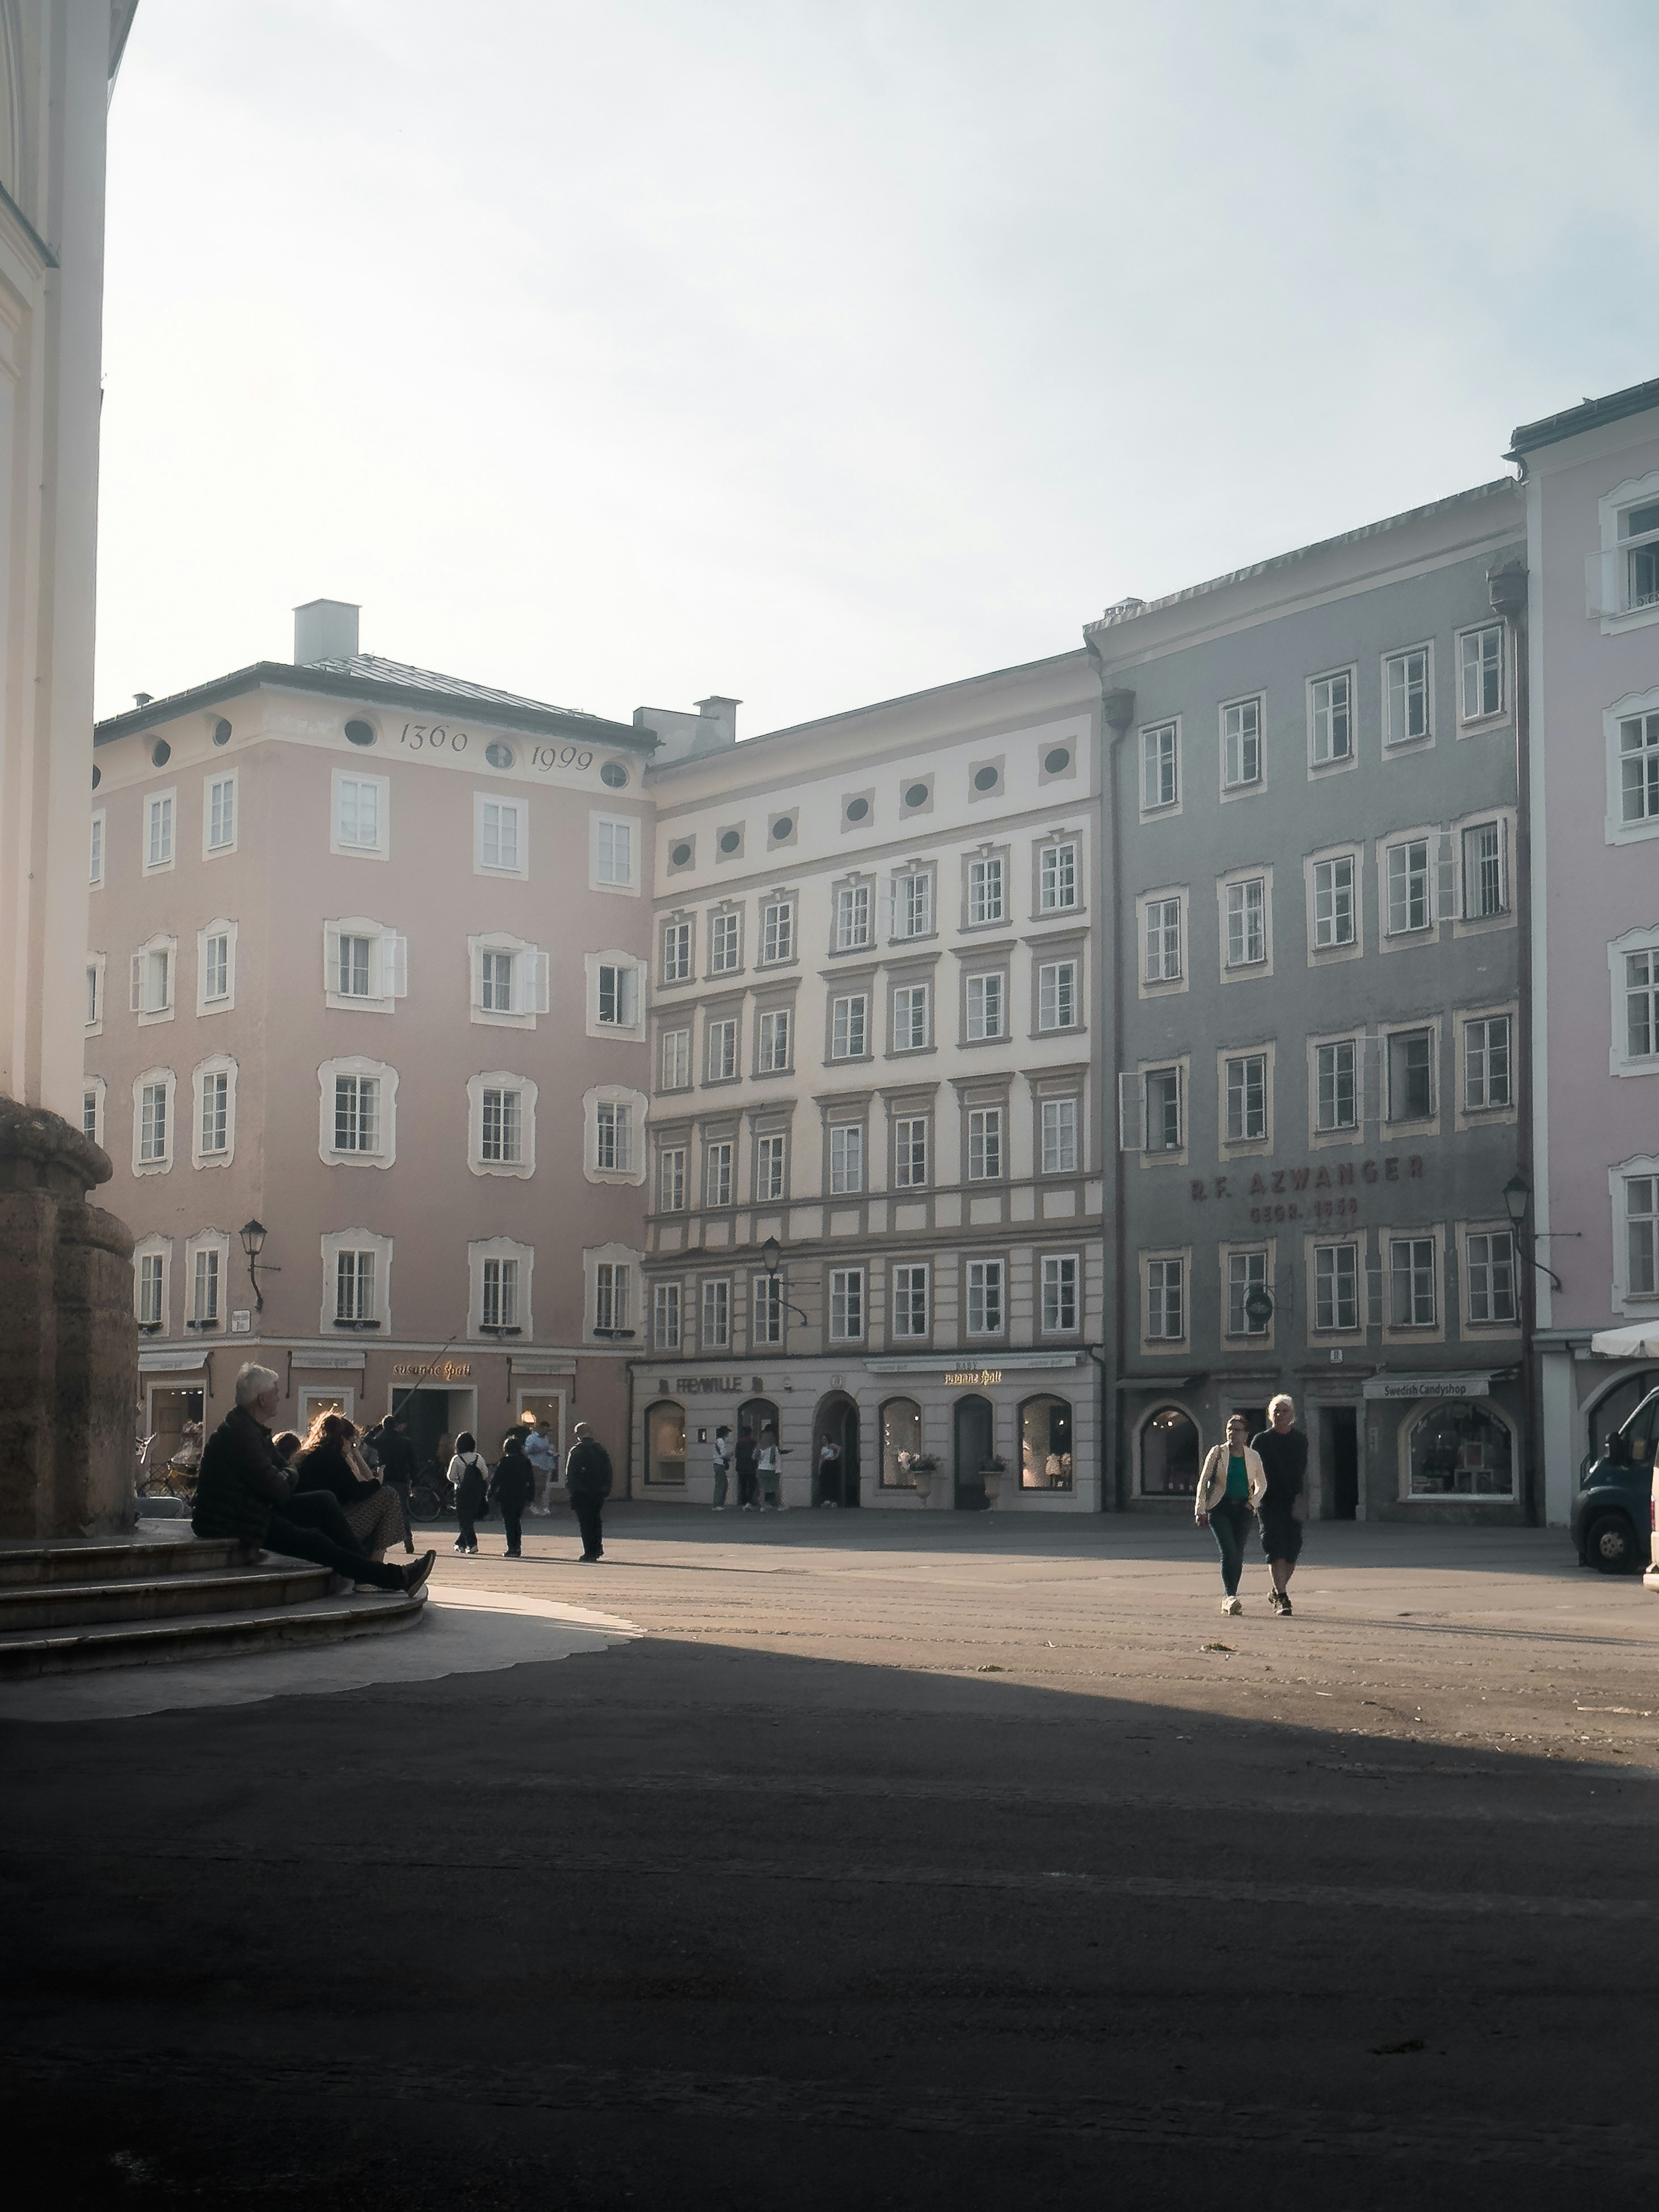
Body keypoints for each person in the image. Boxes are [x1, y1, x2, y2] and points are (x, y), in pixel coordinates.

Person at [192, 1364, 433, 1596]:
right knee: (316, 1542)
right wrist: (285, 1475)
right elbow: (279, 1489)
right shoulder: (242, 1435)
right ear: (262, 1399)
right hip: (232, 1518)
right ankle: (397, 1578)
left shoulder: (251, 1429)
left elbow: (285, 1469)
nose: (278, 1397)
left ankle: (373, 1574)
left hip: (252, 1507)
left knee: (324, 1501)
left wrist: (285, 1474)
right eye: (275, 1393)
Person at [293, 1411, 410, 1561]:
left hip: (310, 1525)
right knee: (389, 1496)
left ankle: (374, 1563)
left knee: (384, 1506)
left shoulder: (308, 1456)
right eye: (352, 1443)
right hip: (326, 1529)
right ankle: (375, 1566)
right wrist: (377, 1482)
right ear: (342, 1439)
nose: (351, 1448)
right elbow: (355, 1492)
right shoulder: (332, 1459)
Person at [1194, 1411, 1268, 1616]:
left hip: (1243, 1509)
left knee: (1238, 1553)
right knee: (1229, 1551)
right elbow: (1203, 1481)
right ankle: (1230, 1597)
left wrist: (1253, 1503)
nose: (1232, 1433)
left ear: (1246, 1434)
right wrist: (1200, 1509)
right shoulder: (1218, 1453)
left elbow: (1262, 1484)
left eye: (1237, 1430)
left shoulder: (1253, 1456)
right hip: (1220, 1508)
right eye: (1230, 1429)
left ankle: (1232, 1595)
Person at [1252, 1393, 1309, 1617]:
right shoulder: (1261, 1441)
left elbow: (1302, 1471)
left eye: (1284, 1410)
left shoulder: (1300, 1440)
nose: (1279, 1414)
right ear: (1270, 1414)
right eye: (1276, 1410)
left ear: (1292, 1415)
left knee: (1293, 1550)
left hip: (1292, 1500)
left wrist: (1302, 1499)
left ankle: (1276, 1591)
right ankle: (1283, 1598)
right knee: (1275, 1547)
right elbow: (1254, 1471)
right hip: (1268, 1501)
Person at [564, 1420, 613, 1562]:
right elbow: (608, 1471)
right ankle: (597, 1548)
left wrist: (573, 1490)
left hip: (582, 1492)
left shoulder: (576, 1451)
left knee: (585, 1523)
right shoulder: (600, 1450)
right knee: (596, 1520)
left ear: (578, 1435)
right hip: (598, 1491)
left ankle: (589, 1551)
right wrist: (606, 1488)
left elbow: (570, 1474)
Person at [489, 1429, 536, 1559]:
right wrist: (531, 1496)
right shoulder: (525, 1462)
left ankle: (512, 1548)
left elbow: (496, 1479)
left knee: (509, 1523)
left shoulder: (504, 1462)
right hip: (520, 1495)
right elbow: (531, 1481)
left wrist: (491, 1492)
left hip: (506, 1496)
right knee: (517, 1521)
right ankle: (518, 1547)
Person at [448, 1432, 489, 1555]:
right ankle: (461, 1543)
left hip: (461, 1492)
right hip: (476, 1492)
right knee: (469, 1518)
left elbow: (451, 1476)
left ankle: (472, 1544)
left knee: (464, 1519)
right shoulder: (478, 1458)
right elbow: (485, 1474)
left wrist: (459, 1483)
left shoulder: (457, 1459)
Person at [524, 1417, 557, 1516]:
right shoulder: (532, 1438)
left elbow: (546, 1451)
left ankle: (541, 1506)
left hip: (545, 1465)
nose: (547, 1432)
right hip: (536, 1465)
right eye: (546, 1430)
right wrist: (539, 1450)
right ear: (541, 1428)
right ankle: (533, 1505)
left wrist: (552, 1454)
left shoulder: (546, 1439)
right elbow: (527, 1451)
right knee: (537, 1487)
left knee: (543, 1487)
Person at [757, 1424, 785, 1511]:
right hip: (771, 1469)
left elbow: (755, 1457)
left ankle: (763, 1506)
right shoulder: (774, 1448)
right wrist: (779, 1470)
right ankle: (780, 1505)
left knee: (763, 1489)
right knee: (776, 1488)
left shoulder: (761, 1447)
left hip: (761, 1469)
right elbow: (776, 1460)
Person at [735, 1427, 759, 1512]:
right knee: (752, 1485)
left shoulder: (739, 1443)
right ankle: (750, 1501)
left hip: (741, 1467)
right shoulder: (753, 1442)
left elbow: (736, 1455)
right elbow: (756, 1454)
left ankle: (743, 1502)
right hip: (751, 1467)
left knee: (743, 1486)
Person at [710, 1424, 732, 1511]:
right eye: (727, 1433)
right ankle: (718, 1504)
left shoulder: (718, 1441)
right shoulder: (721, 1442)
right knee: (721, 1484)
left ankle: (719, 1503)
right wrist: (730, 1454)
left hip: (718, 1464)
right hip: (720, 1463)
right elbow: (723, 1454)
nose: (728, 1434)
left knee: (721, 1483)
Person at [817, 1435, 842, 1508]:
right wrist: (819, 1468)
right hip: (825, 1464)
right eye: (823, 1439)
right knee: (825, 1482)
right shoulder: (823, 1448)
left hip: (831, 1463)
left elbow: (839, 1448)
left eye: (825, 1439)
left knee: (832, 1481)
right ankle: (827, 1499)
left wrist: (836, 1456)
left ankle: (834, 1500)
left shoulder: (830, 1445)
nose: (823, 1441)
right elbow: (821, 1459)